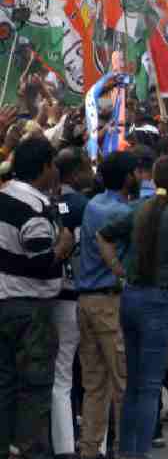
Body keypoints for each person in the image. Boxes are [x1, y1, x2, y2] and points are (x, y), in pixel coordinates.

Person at [97, 154, 168, 459]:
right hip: (160, 301)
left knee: (133, 384)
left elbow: (102, 236)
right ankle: (140, 452)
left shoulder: (138, 208)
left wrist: (118, 268)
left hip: (131, 297)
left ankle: (127, 450)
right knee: (150, 384)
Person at [0, 137, 74, 459]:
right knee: (34, 385)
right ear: (45, 168)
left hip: (5, 303)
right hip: (29, 309)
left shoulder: (4, 197)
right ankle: (30, 449)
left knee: (4, 384)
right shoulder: (34, 207)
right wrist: (62, 249)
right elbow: (40, 261)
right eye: (52, 165)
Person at [77, 151, 140, 459]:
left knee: (95, 384)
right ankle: (123, 449)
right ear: (129, 177)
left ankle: (90, 449)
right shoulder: (118, 212)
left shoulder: (93, 205)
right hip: (108, 302)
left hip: (86, 300)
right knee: (122, 383)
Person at [51, 148, 92, 459]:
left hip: (60, 297)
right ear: (77, 172)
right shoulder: (87, 205)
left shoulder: (53, 205)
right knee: (93, 375)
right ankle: (96, 443)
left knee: (62, 377)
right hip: (88, 295)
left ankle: (65, 445)